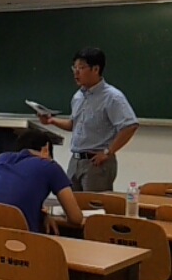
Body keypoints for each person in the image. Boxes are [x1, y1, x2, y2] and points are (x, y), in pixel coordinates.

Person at [39, 47, 138, 191]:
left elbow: (130, 126)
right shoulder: (78, 96)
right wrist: (51, 121)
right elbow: (74, 124)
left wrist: (108, 152)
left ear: (95, 69)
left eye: (81, 68)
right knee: (71, 202)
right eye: (74, 68)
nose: (76, 72)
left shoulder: (112, 97)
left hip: (96, 163)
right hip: (75, 160)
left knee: (93, 204)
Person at [0, 129, 83, 234]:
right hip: (24, 239)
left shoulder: (1, 160)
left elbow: (14, 199)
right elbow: (76, 219)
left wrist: (42, 215)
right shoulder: (49, 166)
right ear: (46, 149)